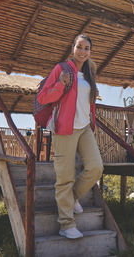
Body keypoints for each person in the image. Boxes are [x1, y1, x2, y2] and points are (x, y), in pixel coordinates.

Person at [37, 34, 103, 239]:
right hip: (65, 128)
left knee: (96, 167)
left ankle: (72, 197)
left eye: (87, 48)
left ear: (90, 51)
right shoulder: (61, 69)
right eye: (79, 47)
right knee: (64, 178)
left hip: (84, 128)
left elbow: (89, 102)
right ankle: (66, 225)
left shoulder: (90, 73)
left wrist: (91, 122)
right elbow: (43, 97)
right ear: (73, 48)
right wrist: (60, 85)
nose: (83, 51)